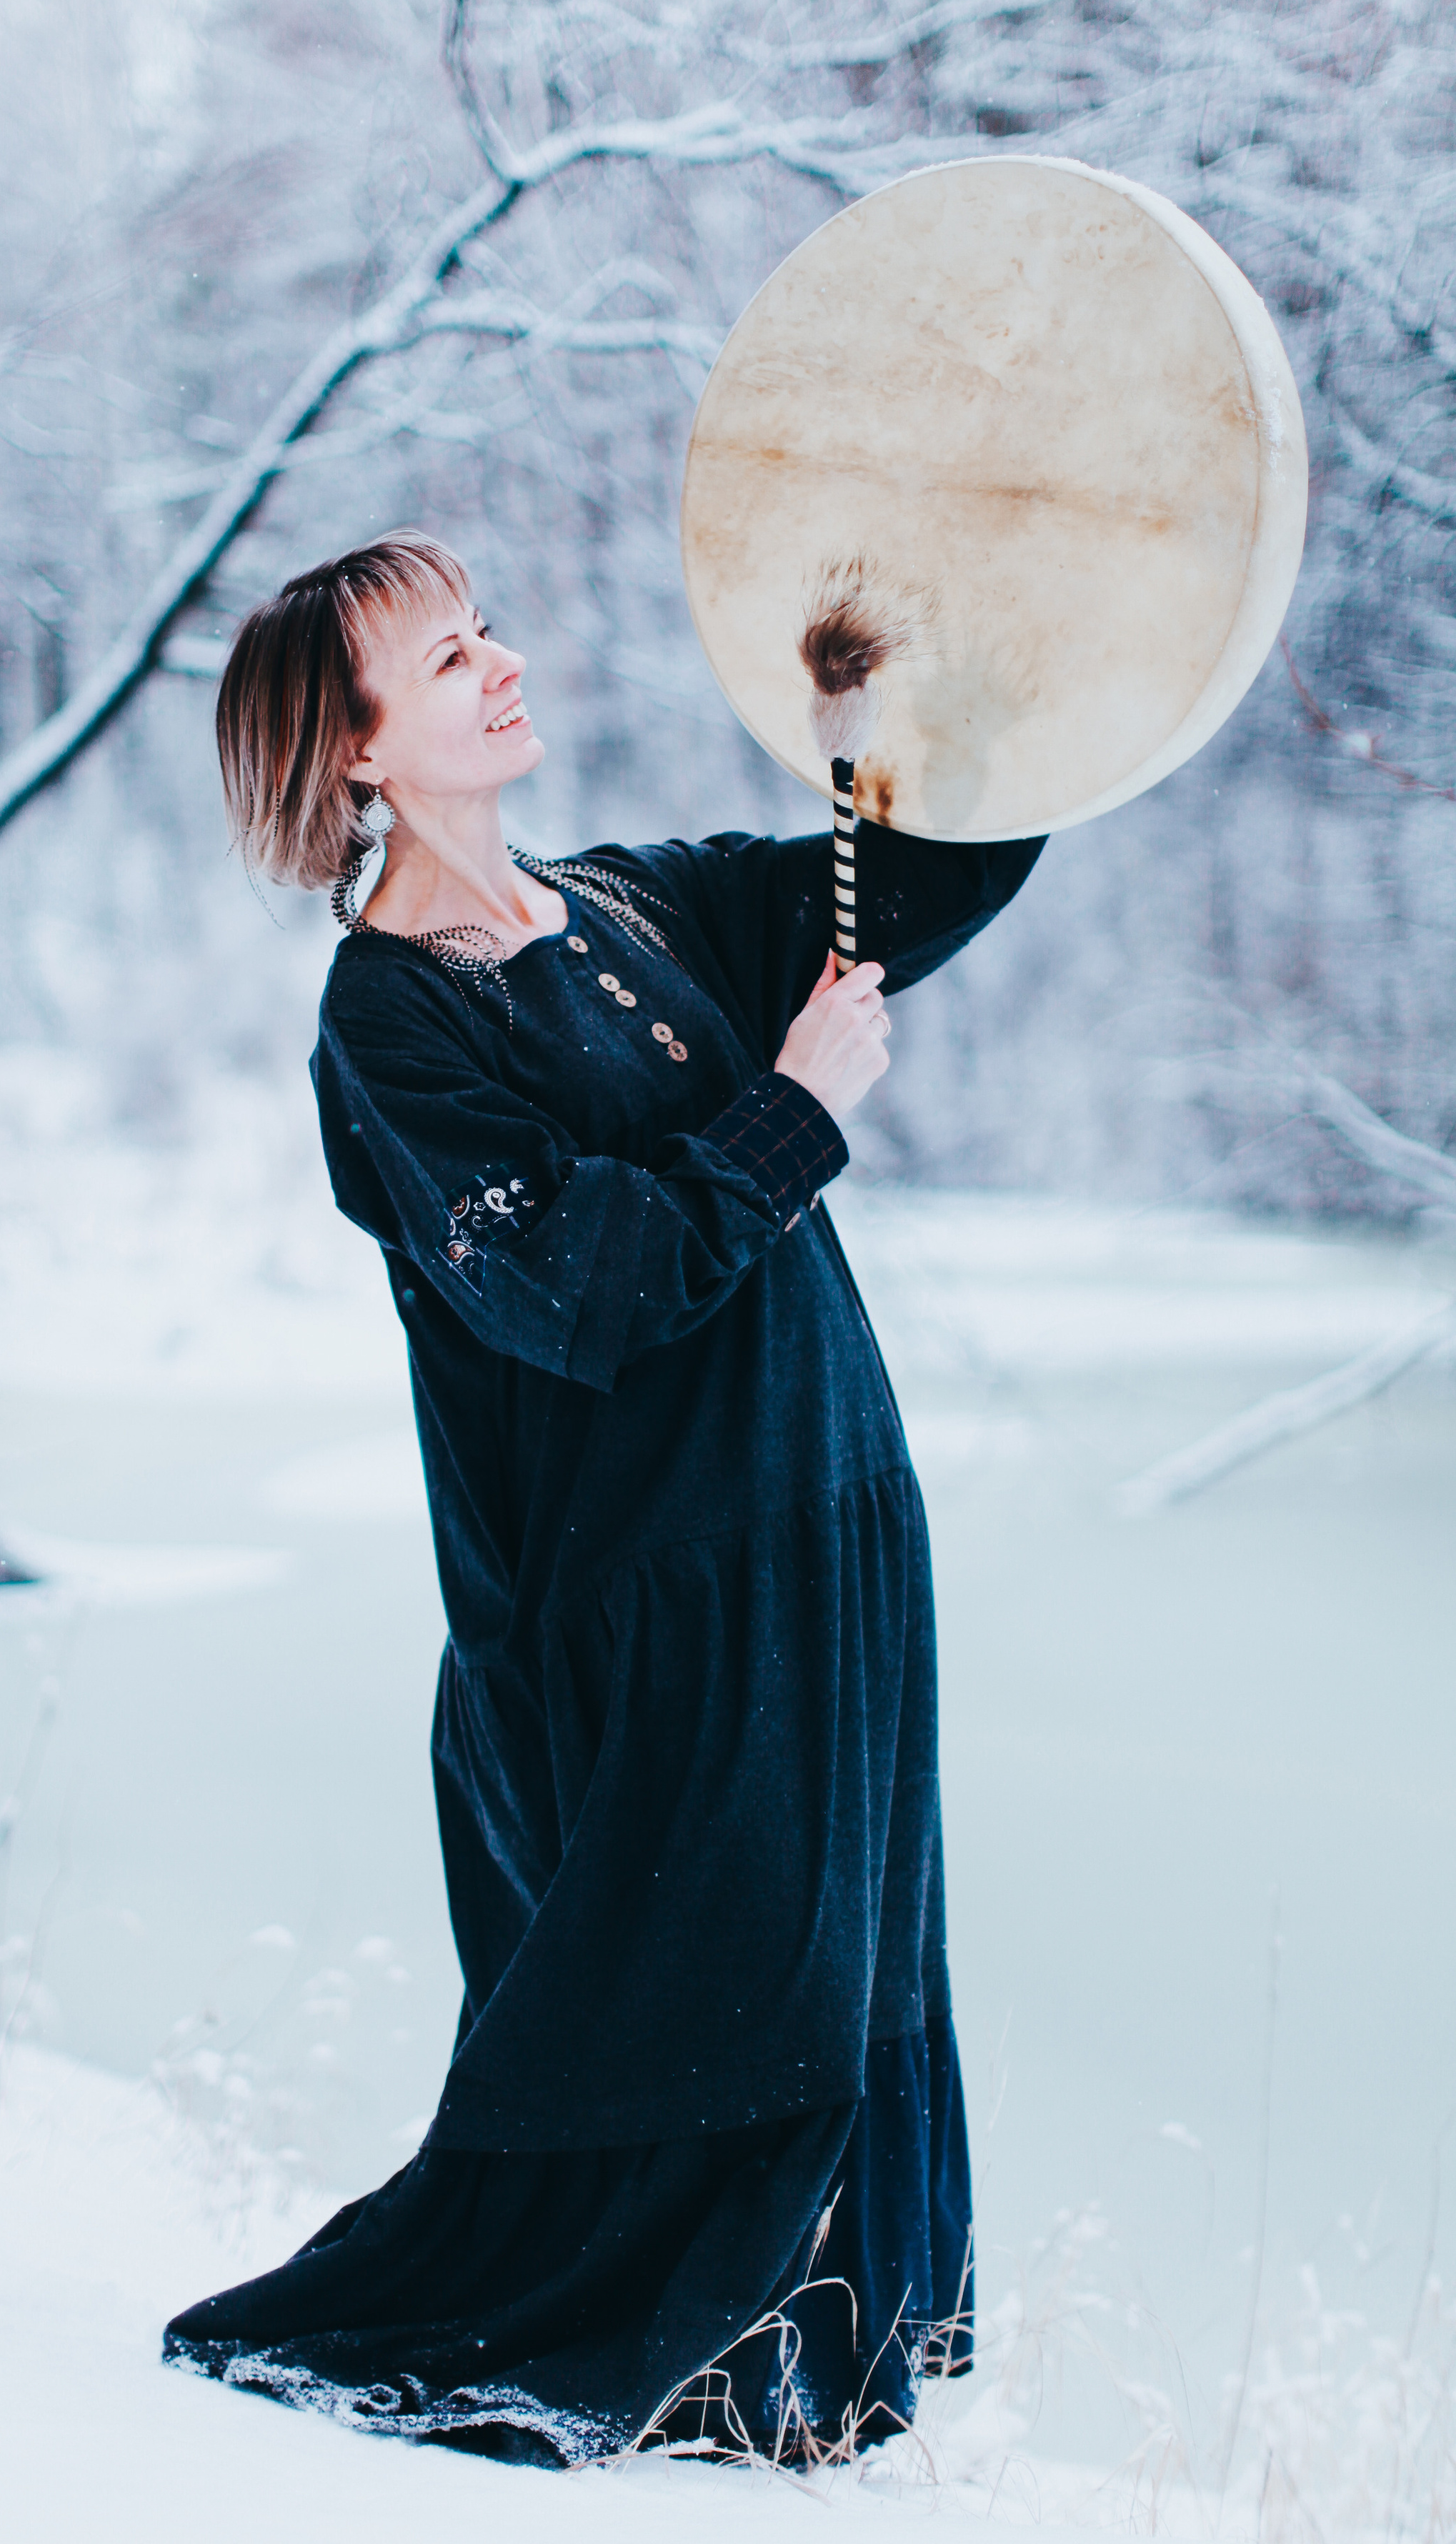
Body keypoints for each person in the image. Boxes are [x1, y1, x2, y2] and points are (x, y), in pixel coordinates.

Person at [163, 531, 1044, 2468]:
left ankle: (816, 2382)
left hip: (821, 1518)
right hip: (639, 1590)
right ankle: (697, 2381)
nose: (504, 663)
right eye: (448, 656)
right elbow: (577, 1288)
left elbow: (916, 876)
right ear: (362, 754)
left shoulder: (634, 902)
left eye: (490, 629)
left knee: (857, 1954)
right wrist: (796, 1106)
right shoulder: (394, 1023)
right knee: (724, 1984)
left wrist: (976, 675)